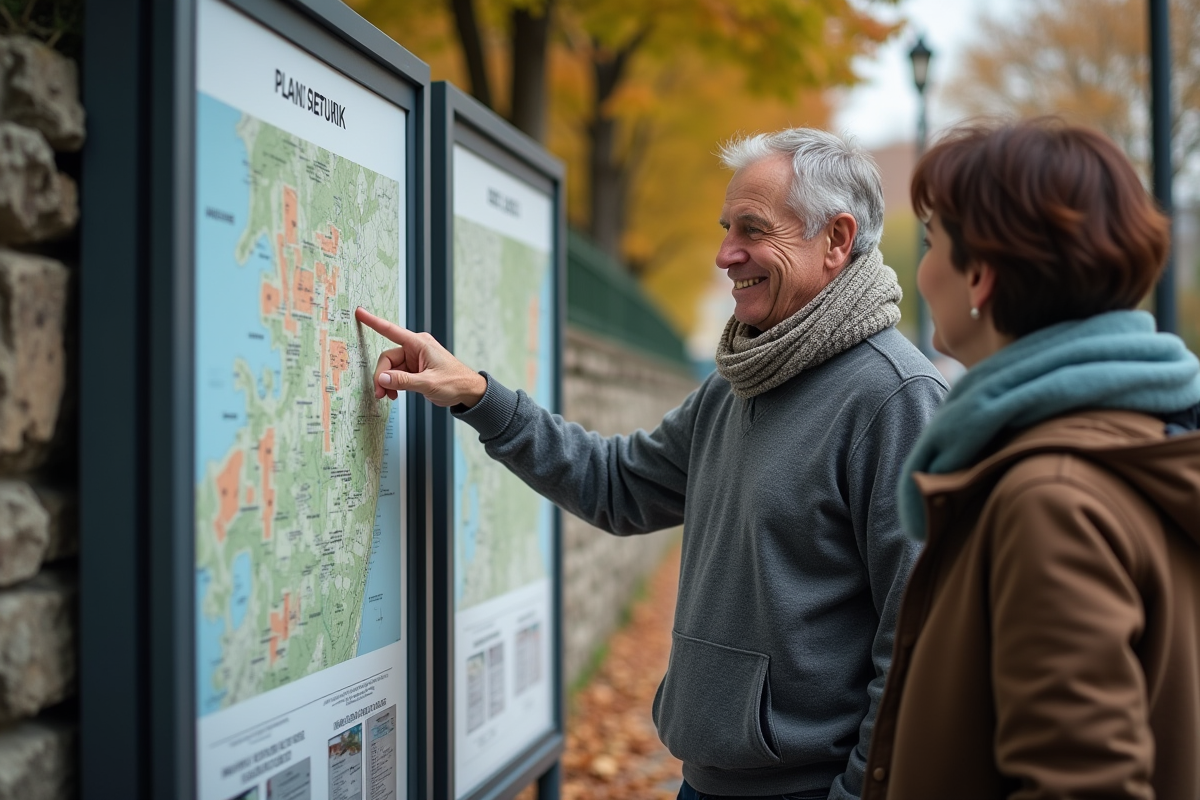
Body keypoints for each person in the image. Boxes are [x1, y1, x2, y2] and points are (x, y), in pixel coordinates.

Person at [357, 128, 947, 799]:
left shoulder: (896, 399)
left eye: (752, 229)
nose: (725, 254)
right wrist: (478, 395)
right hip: (702, 782)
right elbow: (617, 486)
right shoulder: (737, 382)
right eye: (726, 229)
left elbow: (921, 642)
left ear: (836, 240)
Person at [862, 119, 1200, 800]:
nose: (920, 273)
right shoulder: (1146, 440)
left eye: (931, 244)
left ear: (979, 276)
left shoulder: (1049, 499)